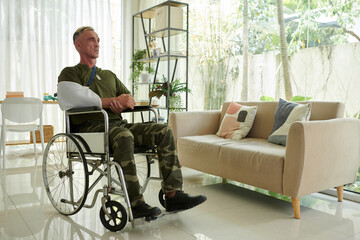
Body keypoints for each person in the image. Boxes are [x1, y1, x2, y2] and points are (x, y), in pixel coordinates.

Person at [57, 26, 206, 219]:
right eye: (91, 40)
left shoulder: (109, 75)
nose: (97, 44)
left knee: (163, 130)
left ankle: (173, 195)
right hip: (90, 129)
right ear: (78, 45)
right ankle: (135, 204)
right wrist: (110, 101)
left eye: (98, 40)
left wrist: (124, 102)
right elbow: (71, 98)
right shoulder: (70, 73)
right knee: (123, 135)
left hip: (117, 126)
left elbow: (128, 98)